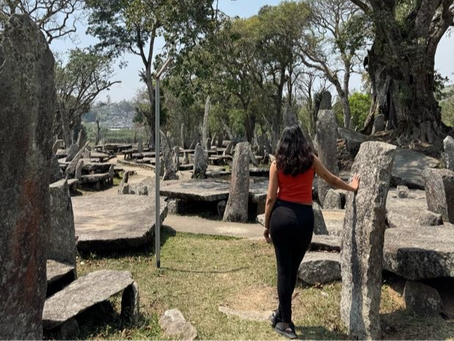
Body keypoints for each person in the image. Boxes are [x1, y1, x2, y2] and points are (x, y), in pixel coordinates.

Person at [263, 124, 359, 339]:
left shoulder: (276, 164)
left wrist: (267, 226)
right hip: (305, 220)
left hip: (281, 217)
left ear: (283, 142)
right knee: (292, 269)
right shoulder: (311, 161)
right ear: (302, 141)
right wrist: (352, 187)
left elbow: (270, 199)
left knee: (283, 271)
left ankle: (286, 323)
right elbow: (332, 179)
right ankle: (281, 313)